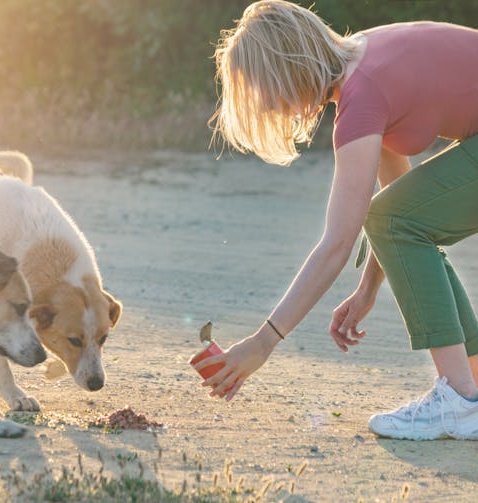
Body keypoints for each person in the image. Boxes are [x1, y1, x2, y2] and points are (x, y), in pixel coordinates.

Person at [195, 0, 478, 440]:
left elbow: (336, 245)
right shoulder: (367, 60)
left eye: (263, 88)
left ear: (286, 67)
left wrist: (263, 343)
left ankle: (459, 401)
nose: (267, 105)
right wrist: (367, 290)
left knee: (392, 221)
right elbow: (400, 208)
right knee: (400, 219)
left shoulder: (362, 98)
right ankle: (472, 389)